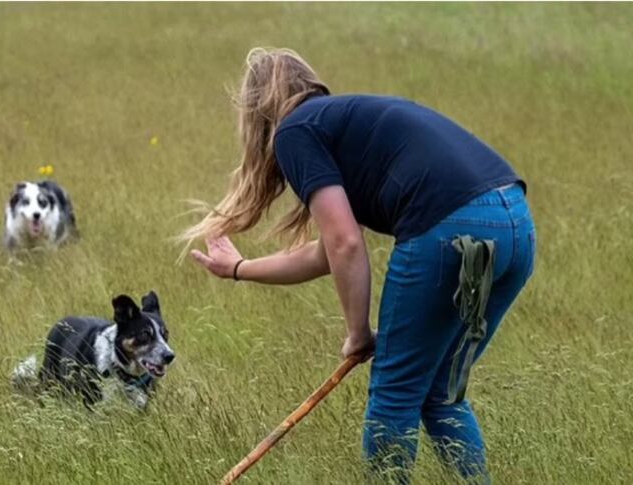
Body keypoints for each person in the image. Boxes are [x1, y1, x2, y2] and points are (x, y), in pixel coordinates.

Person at [181, 47, 535, 482]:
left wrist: (356, 332)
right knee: (442, 394)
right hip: (515, 225)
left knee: (394, 397)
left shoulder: (294, 131)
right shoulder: (343, 123)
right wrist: (239, 268)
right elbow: (327, 252)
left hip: (448, 231)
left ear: (258, 112)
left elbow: (345, 242)